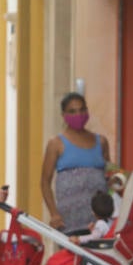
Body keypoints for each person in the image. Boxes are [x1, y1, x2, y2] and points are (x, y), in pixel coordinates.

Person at [40, 91, 111, 234]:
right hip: (69, 222)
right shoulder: (56, 144)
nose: (78, 115)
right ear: (63, 115)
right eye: (72, 111)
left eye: (82, 110)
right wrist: (54, 213)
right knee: (71, 257)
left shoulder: (101, 141)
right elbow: (45, 182)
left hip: (99, 222)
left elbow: (110, 176)